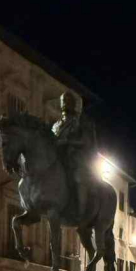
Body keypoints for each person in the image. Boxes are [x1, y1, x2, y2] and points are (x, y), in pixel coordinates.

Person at [52, 91, 97, 223]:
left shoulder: (81, 123)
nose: (65, 102)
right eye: (63, 100)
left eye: (68, 100)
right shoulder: (56, 125)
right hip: (58, 158)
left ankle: (81, 212)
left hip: (75, 158)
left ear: (74, 104)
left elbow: (87, 141)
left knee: (78, 177)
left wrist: (67, 142)